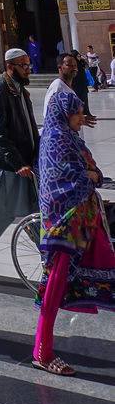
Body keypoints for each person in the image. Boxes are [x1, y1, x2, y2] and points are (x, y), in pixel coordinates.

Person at [33, 90, 115, 375]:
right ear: (64, 113)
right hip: (64, 224)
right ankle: (42, 351)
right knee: (55, 282)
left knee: (99, 261)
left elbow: (93, 171)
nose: (82, 117)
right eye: (77, 112)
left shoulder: (69, 138)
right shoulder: (55, 139)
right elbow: (63, 179)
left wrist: (92, 176)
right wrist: (90, 176)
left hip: (82, 221)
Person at [0, 49, 39, 259]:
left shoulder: (20, 90)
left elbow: (29, 128)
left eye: (29, 65)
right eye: (24, 66)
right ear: (10, 67)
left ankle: (51, 263)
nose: (29, 70)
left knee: (35, 214)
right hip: (7, 166)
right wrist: (17, 163)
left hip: (25, 164)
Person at [70, 50, 92, 118]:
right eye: (78, 56)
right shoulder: (72, 65)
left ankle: (87, 112)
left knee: (85, 99)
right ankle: (79, 114)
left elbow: (86, 68)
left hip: (83, 84)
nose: (79, 57)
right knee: (77, 100)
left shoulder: (81, 63)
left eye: (79, 56)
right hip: (76, 85)